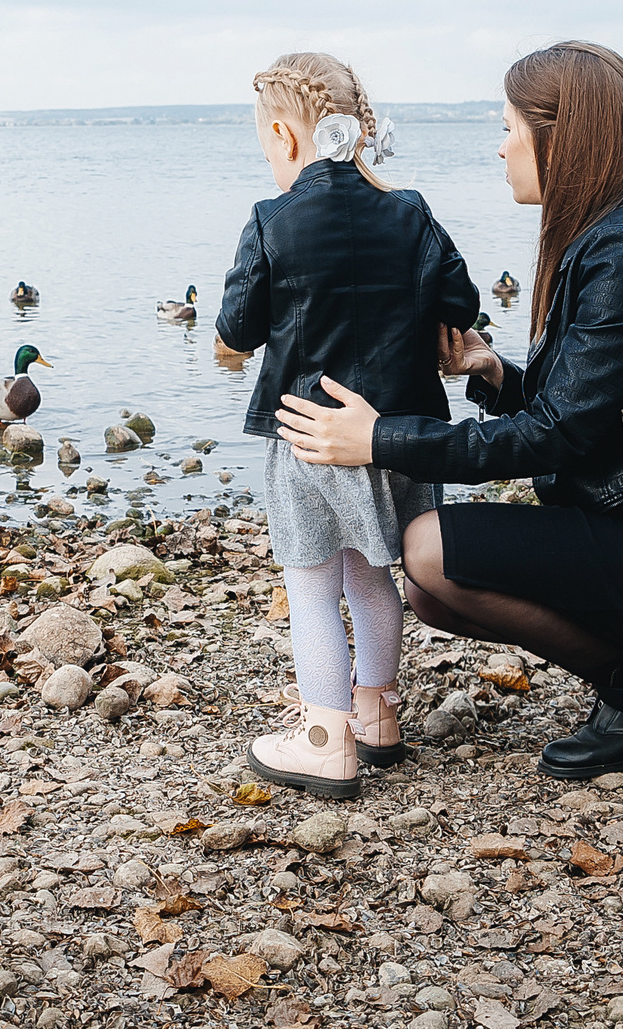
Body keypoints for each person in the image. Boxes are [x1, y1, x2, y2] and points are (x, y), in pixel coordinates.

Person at [275, 41, 623, 778]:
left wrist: (380, 438)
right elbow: (590, 411)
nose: (500, 148)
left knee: (427, 550)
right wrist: (492, 372)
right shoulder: (612, 224)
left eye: (509, 127)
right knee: (429, 587)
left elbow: (554, 438)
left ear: (557, 136)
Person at [216, 53, 481, 798]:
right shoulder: (410, 209)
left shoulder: (273, 218)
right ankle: (378, 715)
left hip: (310, 433)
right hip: (397, 431)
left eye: (267, 145)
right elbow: (461, 302)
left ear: (285, 136)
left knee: (310, 587)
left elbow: (237, 327)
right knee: (371, 575)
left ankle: (324, 737)